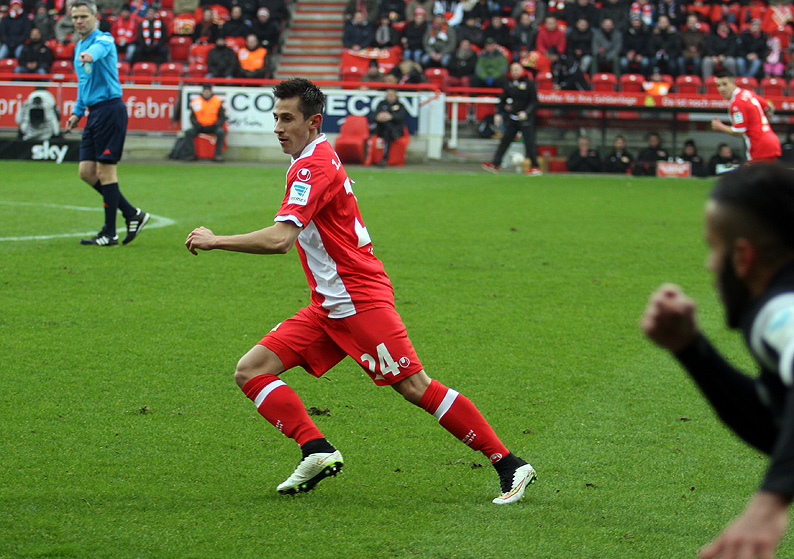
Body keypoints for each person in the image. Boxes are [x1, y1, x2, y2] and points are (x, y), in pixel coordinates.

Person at [184, 77, 537, 504]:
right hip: (328, 305)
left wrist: (216, 240)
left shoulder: (312, 166)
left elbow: (280, 240)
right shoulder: (311, 157)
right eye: (275, 117)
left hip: (357, 298)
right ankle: (316, 450)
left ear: (313, 122)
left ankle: (509, 463)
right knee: (251, 370)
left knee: (415, 386)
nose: (278, 127)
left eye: (287, 119)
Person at [641, 163, 794, 559]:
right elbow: (778, 427)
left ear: (743, 256)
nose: (710, 264)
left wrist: (770, 500)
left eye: (714, 247)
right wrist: (691, 349)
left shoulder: (779, 311)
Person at [64, 0, 149, 247]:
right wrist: (77, 112)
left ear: (95, 16)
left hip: (110, 110)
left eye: (83, 16)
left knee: (106, 171)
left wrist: (90, 55)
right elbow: (84, 84)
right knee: (86, 172)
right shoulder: (79, 46)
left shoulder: (103, 40)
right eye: (75, 17)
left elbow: (99, 50)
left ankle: (109, 233)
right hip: (94, 113)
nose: (79, 21)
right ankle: (132, 213)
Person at [481, 62, 542, 176]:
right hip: (513, 117)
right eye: (513, 69)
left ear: (522, 70)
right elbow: (502, 100)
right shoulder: (508, 84)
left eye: (517, 69)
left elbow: (534, 101)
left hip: (525, 119)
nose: (515, 72)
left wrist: (526, 112)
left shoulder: (529, 84)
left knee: (529, 143)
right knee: (505, 141)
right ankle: (495, 164)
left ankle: (535, 166)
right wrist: (498, 113)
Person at [711, 69, 782, 163]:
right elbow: (770, 107)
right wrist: (762, 122)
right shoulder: (747, 93)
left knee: (752, 172)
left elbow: (740, 131)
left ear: (733, 83)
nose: (721, 89)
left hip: (759, 144)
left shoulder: (736, 103)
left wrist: (720, 127)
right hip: (771, 140)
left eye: (725, 84)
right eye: (718, 85)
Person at [182, 84, 226, 162]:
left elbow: (222, 117)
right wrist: (197, 125)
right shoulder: (196, 102)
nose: (206, 93)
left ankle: (217, 155)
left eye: (208, 91)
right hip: (200, 126)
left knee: (221, 132)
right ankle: (191, 154)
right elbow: (192, 117)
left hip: (213, 126)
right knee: (188, 133)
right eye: (205, 91)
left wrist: (216, 125)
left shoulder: (217, 101)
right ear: (202, 92)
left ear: (211, 92)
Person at [368, 87, 406, 167]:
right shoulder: (382, 104)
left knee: (388, 129)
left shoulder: (400, 106)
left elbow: (400, 117)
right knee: (386, 126)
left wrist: (391, 117)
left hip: (395, 130)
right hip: (382, 130)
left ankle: (384, 159)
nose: (389, 97)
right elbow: (373, 116)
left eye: (391, 95)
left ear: (396, 96)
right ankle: (383, 159)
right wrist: (379, 117)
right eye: (388, 95)